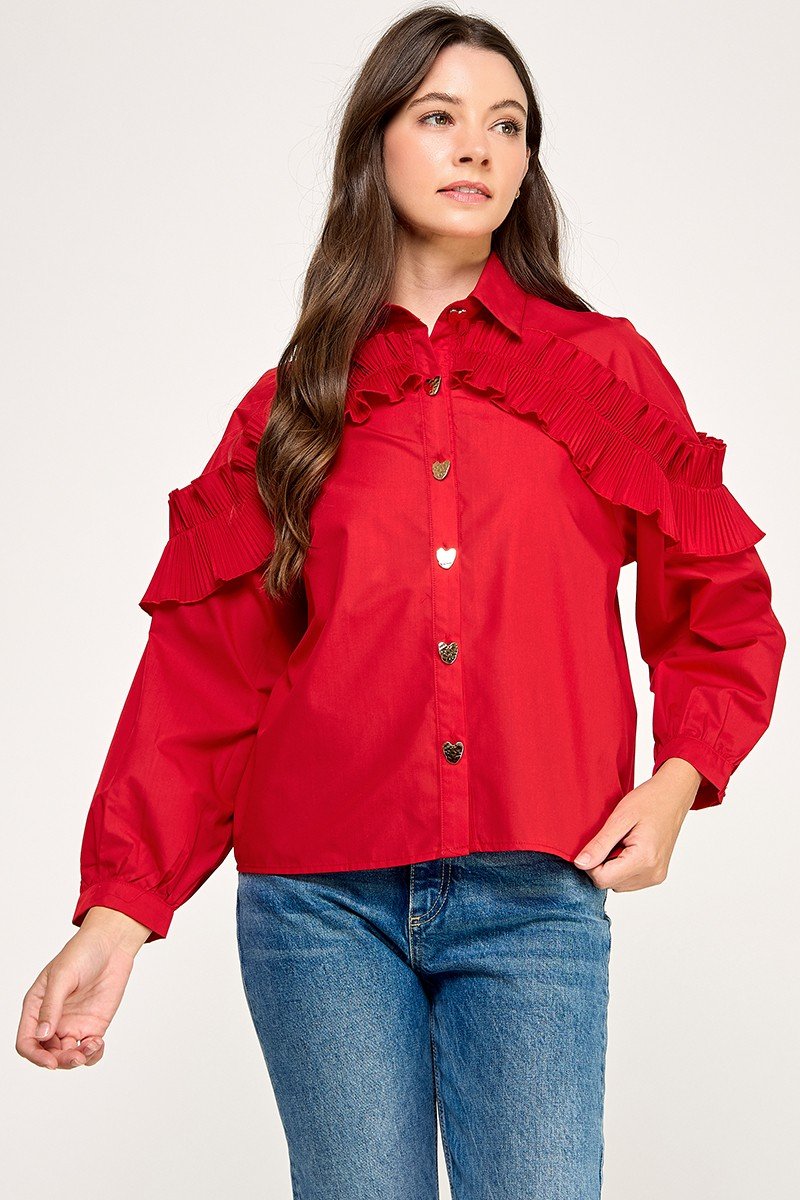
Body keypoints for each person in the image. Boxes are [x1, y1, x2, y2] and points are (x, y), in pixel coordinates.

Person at [16, 8, 786, 1198]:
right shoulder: (293, 404)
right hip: (315, 907)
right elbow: (205, 676)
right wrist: (118, 913)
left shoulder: (602, 370)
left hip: (536, 891)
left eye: (506, 125)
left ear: (526, 164)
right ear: (374, 144)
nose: (476, 145)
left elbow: (719, 600)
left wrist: (679, 777)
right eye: (438, 116)